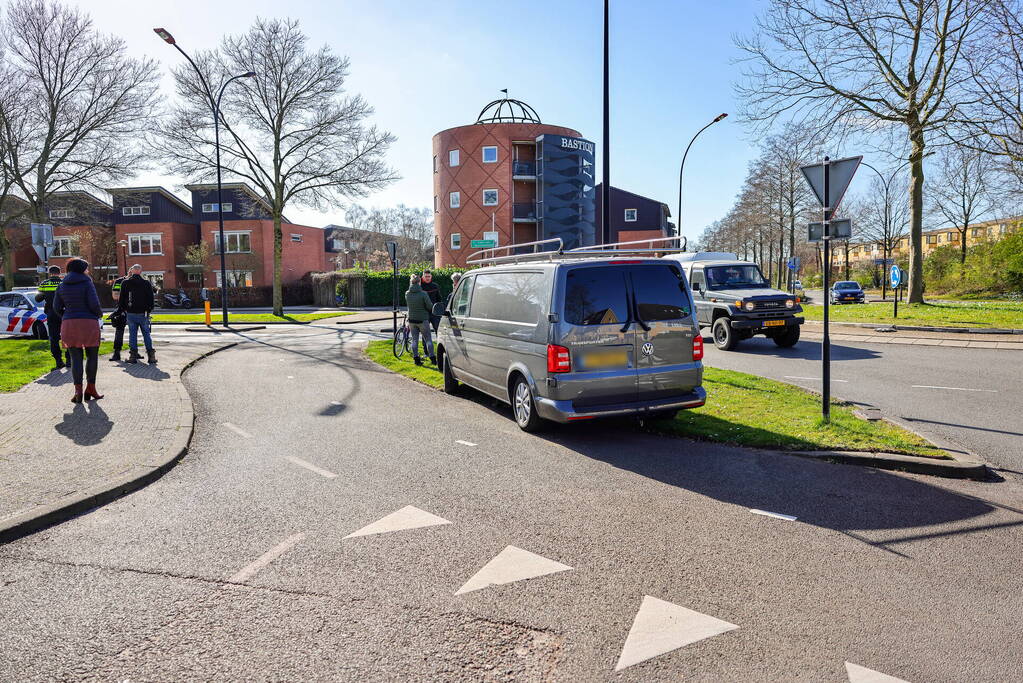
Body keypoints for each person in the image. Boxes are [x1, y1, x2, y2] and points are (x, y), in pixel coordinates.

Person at [53, 259, 103, 403]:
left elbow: (56, 307)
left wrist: (67, 316)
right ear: (82, 270)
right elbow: (94, 304)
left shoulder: (61, 285)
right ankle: (91, 388)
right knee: (92, 356)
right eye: (87, 269)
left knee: (75, 359)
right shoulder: (87, 283)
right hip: (88, 322)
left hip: (69, 323)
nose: (88, 271)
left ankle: (78, 391)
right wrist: (98, 314)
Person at [119, 264, 156, 364]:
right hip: (143, 313)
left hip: (131, 312)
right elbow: (151, 299)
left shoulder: (125, 283)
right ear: (140, 271)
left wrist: (124, 309)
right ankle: (151, 355)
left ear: (132, 271)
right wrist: (149, 310)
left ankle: (133, 356)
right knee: (146, 334)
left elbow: (121, 298)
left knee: (132, 335)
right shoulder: (146, 283)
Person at [34, 265, 70, 370]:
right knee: (67, 337)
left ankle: (59, 362)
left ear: (50, 273)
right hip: (64, 313)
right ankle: (69, 360)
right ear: (59, 273)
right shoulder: (64, 283)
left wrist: (45, 294)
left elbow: (38, 299)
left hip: (51, 314)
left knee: (54, 338)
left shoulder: (44, 284)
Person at [404, 274, 436, 366]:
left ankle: (416, 359)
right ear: (419, 282)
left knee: (414, 340)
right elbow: (429, 306)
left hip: (412, 320)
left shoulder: (407, 293)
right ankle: (433, 359)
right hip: (423, 319)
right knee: (428, 339)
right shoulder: (423, 294)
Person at [107, 272, 129, 362]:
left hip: (135, 310)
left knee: (134, 332)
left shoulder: (139, 281)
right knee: (119, 331)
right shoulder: (119, 281)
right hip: (121, 309)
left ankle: (134, 352)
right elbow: (115, 295)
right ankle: (117, 352)